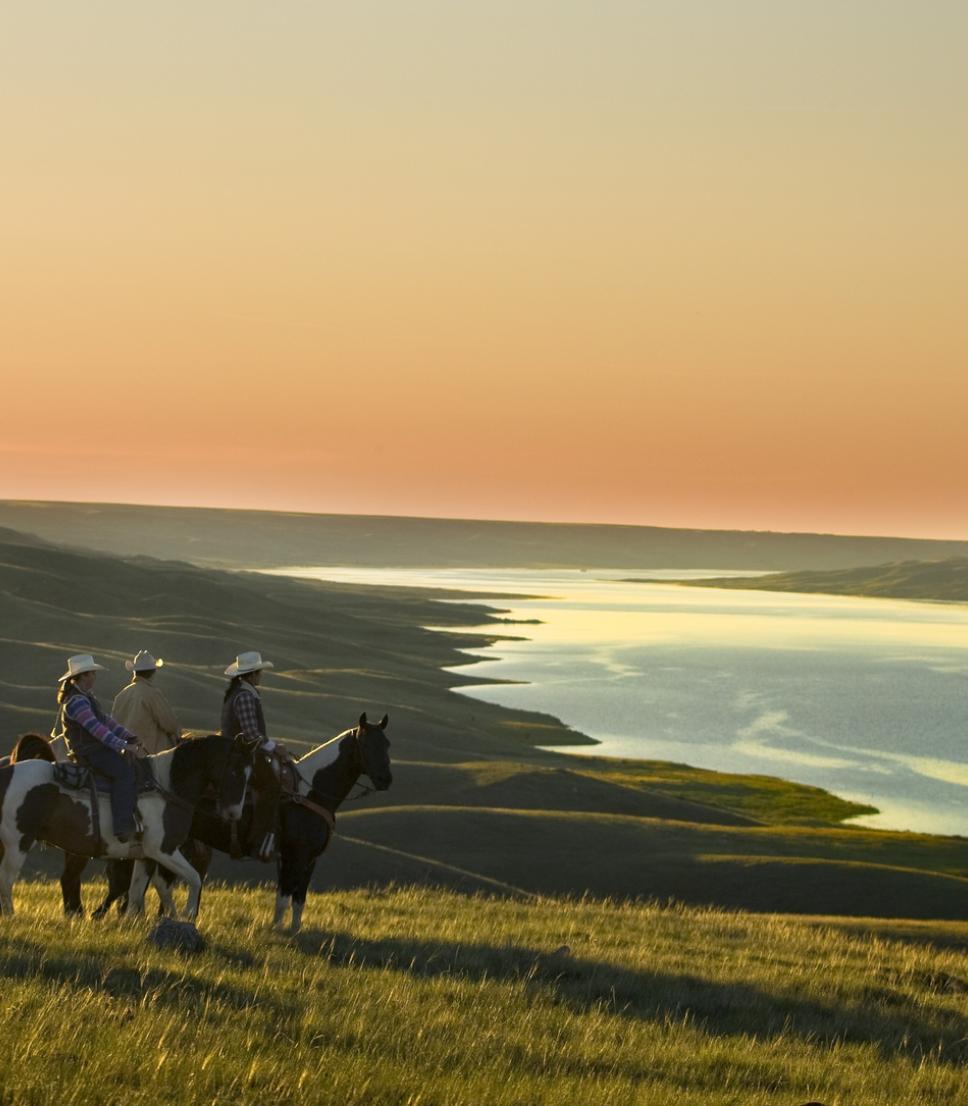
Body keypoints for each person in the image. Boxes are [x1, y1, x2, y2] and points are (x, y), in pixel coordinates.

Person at [54, 654, 145, 842]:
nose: (94, 677)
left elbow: (106, 721)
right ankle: (122, 825)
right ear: (80, 677)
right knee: (124, 772)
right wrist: (125, 745)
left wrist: (128, 735)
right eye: (91, 674)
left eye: (93, 674)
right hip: (89, 752)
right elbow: (97, 730)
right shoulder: (77, 701)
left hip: (94, 749)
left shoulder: (85, 697)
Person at [220, 651, 284, 860]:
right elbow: (251, 734)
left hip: (237, 751)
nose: (261, 676)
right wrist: (275, 747)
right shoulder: (246, 696)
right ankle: (258, 841)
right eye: (259, 672)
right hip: (242, 755)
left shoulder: (237, 693)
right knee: (271, 787)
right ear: (252, 675)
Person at [112, 650, 182, 754]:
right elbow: (169, 724)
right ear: (152, 672)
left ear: (135, 672)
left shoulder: (121, 695)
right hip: (150, 756)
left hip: (124, 755)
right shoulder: (152, 693)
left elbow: (113, 725)